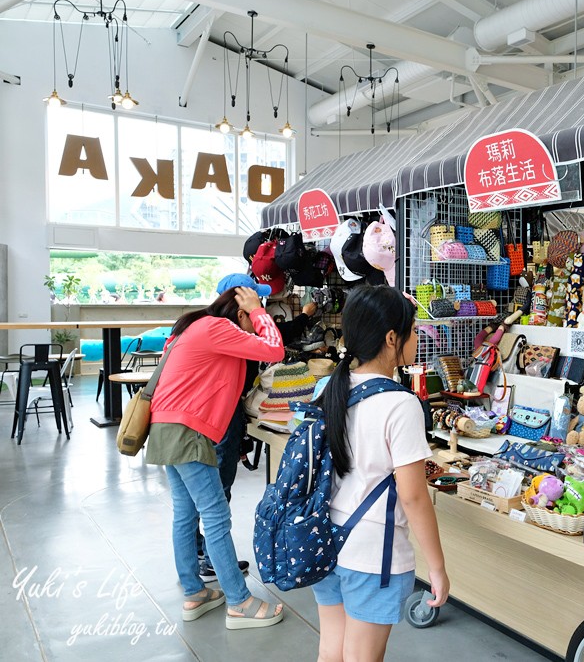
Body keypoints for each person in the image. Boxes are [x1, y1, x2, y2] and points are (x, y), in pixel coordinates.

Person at [315, 286, 449, 662]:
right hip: (374, 555)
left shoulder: (330, 387)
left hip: (325, 540)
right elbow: (413, 495)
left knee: (332, 651)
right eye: (414, 329)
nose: (418, 337)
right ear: (392, 338)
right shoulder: (400, 404)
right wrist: (436, 568)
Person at [147, 286, 286, 628]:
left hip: (167, 426)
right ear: (239, 311)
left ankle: (195, 593)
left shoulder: (195, 328)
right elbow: (275, 349)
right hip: (187, 430)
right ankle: (240, 602)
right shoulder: (218, 328)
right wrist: (259, 312)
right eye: (251, 313)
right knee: (216, 515)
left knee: (186, 512)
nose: (254, 322)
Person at [194, 274, 319, 581]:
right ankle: (212, 560)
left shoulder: (206, 327)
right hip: (220, 417)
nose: (261, 307)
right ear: (239, 307)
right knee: (218, 492)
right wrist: (302, 317)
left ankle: (200, 553)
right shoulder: (231, 335)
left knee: (200, 496)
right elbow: (275, 343)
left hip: (203, 417)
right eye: (255, 302)